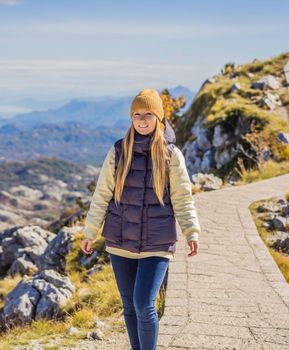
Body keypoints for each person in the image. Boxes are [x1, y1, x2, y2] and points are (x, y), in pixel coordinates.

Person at [80, 88, 201, 350]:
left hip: (157, 242)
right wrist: (90, 232)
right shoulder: (118, 151)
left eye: (148, 114)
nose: (142, 120)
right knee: (129, 306)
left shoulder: (171, 154)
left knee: (144, 304)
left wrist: (192, 231)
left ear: (159, 117)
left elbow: (183, 197)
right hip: (120, 241)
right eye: (136, 114)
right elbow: (102, 194)